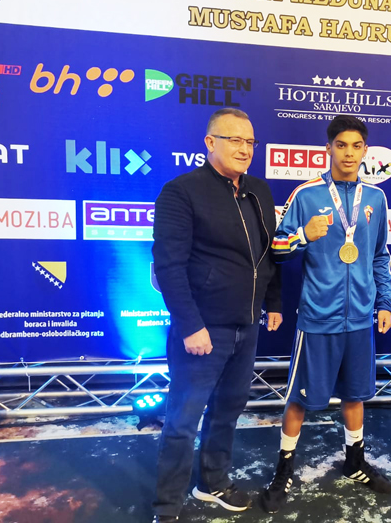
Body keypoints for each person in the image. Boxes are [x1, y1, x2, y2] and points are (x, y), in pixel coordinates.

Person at [259, 114, 391, 514]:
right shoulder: (306, 195)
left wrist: (385, 302)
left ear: (365, 151)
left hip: (360, 317)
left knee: (355, 395)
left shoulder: (375, 198)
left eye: (356, 146)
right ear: (329, 149)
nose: (349, 153)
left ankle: (354, 461)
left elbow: (379, 255)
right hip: (318, 316)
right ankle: (284, 469)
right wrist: (304, 235)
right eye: (341, 145)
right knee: (299, 399)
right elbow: (277, 249)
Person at [151, 108, 283, 523]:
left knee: (228, 411)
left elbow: (269, 253)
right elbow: (169, 266)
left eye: (250, 142)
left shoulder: (259, 190)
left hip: (248, 326)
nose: (245, 149)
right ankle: (167, 507)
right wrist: (191, 325)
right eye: (235, 140)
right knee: (182, 421)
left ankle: (212, 483)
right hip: (203, 330)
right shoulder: (181, 191)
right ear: (210, 143)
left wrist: (274, 301)